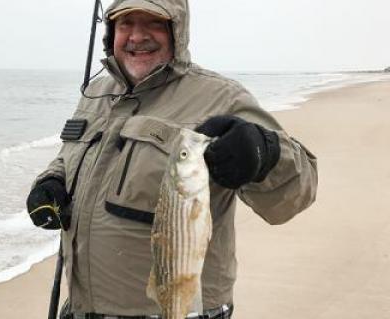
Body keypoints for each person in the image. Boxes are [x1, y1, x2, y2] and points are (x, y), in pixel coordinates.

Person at [26, 0, 318, 318]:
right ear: (111, 33)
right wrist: (51, 181)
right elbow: (70, 155)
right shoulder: (97, 92)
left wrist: (265, 154)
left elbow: (297, 192)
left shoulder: (222, 97)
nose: (137, 36)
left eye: (153, 22)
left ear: (177, 29)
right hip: (80, 308)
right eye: (125, 24)